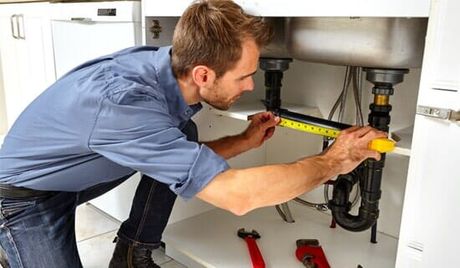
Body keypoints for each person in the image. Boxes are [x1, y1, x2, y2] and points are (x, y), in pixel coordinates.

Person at [0, 0, 386, 267]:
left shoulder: (162, 67)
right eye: (245, 76)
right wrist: (335, 160)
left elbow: (179, 155)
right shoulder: (126, 104)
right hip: (23, 199)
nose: (250, 86)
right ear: (203, 74)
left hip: (71, 174)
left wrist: (244, 141)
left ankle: (133, 252)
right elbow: (238, 196)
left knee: (180, 132)